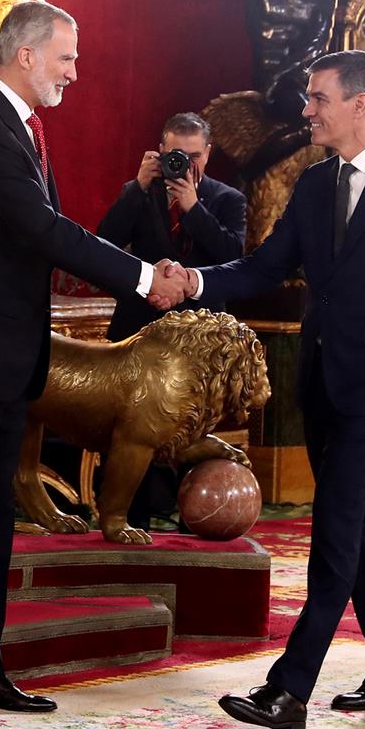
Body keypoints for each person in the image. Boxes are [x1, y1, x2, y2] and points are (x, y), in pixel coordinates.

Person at [157, 50, 365, 729]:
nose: (305, 110)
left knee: (332, 529)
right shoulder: (313, 185)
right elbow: (265, 266)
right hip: (323, 384)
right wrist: (196, 282)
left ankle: (288, 689)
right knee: (354, 524)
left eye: (317, 98)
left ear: (359, 104)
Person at [0, 0, 178, 723]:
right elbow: (46, 230)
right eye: (66, 59)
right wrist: (141, 277)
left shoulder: (19, 131)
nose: (75, 73)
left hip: (5, 363)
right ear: (25, 56)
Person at [97, 111, 246, 530]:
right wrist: (138, 189)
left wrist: (194, 208)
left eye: (194, 156)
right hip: (140, 333)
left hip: (198, 340)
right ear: (160, 152)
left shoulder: (227, 199)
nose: (185, 165)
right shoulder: (138, 192)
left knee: (192, 433)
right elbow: (102, 244)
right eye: (176, 155)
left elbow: (234, 260)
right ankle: (129, 519)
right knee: (131, 431)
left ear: (209, 154)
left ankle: (192, 524)